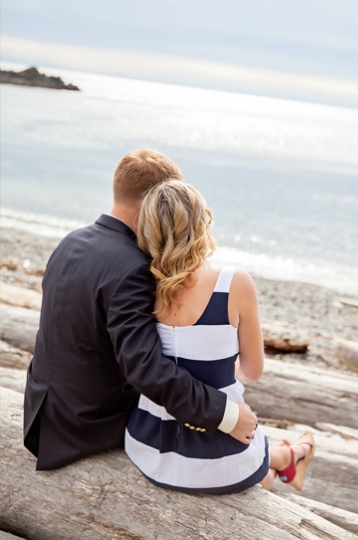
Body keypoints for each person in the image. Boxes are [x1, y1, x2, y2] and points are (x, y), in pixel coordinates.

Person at [24, 149, 258, 470]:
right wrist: (227, 415)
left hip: (45, 407)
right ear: (156, 202)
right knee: (205, 421)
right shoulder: (134, 267)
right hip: (87, 424)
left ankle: (282, 457)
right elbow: (146, 370)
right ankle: (278, 458)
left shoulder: (71, 241)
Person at [124, 179, 315, 492]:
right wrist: (217, 368)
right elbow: (253, 371)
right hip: (217, 454)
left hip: (147, 444)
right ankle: (288, 457)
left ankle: (287, 456)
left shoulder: (137, 284)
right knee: (254, 472)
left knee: (252, 458)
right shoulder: (234, 283)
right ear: (202, 222)